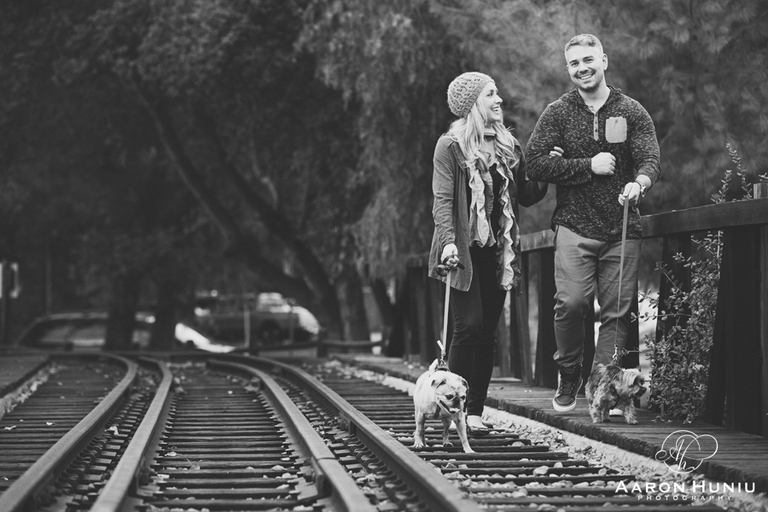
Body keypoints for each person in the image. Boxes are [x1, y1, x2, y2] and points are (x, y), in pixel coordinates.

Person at [525, 34, 661, 412]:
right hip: (574, 224)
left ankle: (604, 385)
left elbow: (650, 160)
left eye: (588, 60)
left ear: (604, 60)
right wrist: (588, 166)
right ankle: (570, 372)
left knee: (617, 312)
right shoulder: (558, 112)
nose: (582, 68)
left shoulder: (631, 110)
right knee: (571, 304)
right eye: (574, 63)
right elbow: (534, 163)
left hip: (621, 227)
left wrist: (639, 183)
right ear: (568, 69)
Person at [429, 71, 548, 433]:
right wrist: (448, 241)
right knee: (469, 325)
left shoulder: (508, 146)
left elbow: (526, 195)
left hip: (498, 252)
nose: (499, 100)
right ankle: (452, 409)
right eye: (491, 94)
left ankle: (474, 412)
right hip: (461, 251)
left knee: (487, 332)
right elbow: (443, 200)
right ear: (473, 104)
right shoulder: (450, 146)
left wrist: (548, 168)